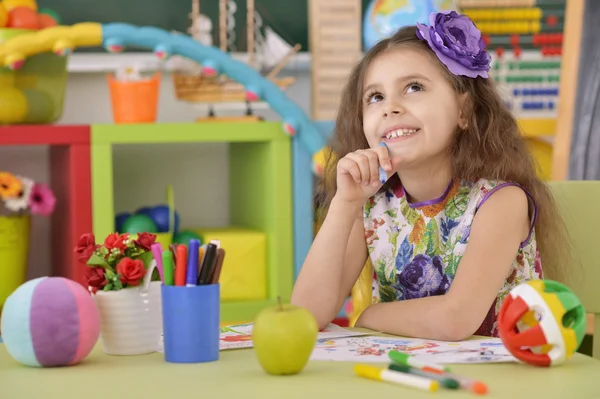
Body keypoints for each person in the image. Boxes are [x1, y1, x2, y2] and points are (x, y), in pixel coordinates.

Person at [290, 11, 569, 340]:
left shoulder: (501, 202)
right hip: (408, 377)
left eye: (413, 87)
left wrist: (370, 315)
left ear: (463, 111)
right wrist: (344, 203)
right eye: (375, 97)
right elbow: (306, 314)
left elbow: (455, 319)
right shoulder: (371, 206)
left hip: (496, 382)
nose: (389, 107)